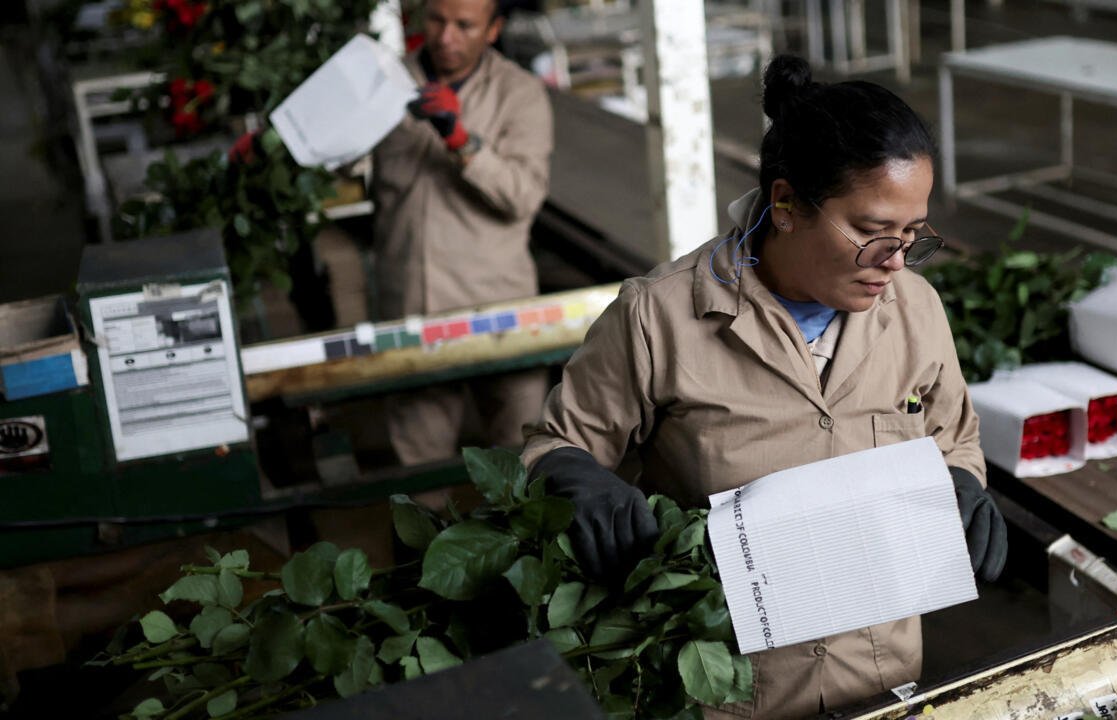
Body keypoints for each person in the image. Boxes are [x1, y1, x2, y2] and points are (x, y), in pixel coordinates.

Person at [522, 55, 1007, 720]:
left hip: (882, 681)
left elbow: (955, 438)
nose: (895, 262)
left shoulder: (915, 311)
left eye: (912, 236)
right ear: (785, 205)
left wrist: (962, 482)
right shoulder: (659, 318)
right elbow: (554, 446)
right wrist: (574, 477)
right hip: (727, 690)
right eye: (872, 233)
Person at [371, 0, 553, 472]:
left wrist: (460, 140)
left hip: (499, 310)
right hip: (412, 307)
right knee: (417, 470)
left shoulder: (520, 94)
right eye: (436, 20)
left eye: (464, 25)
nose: (445, 36)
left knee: (523, 462)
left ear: (493, 30)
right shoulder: (384, 85)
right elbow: (337, 160)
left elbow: (523, 197)